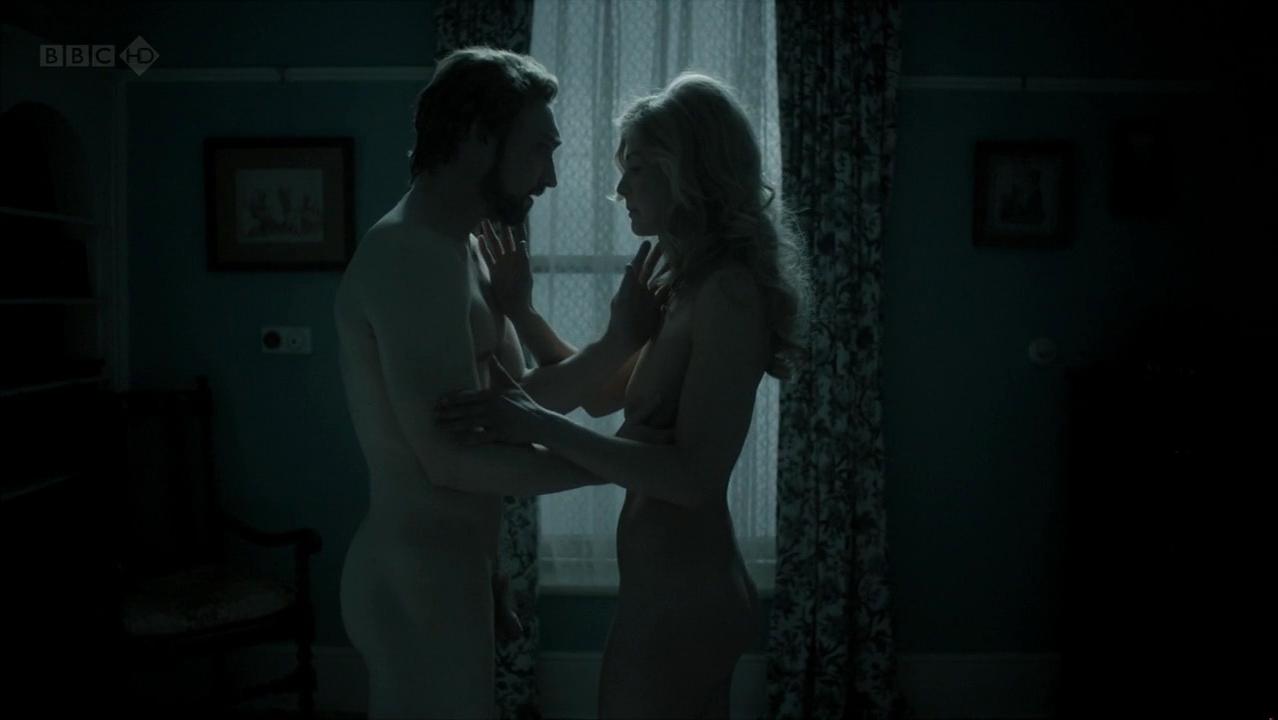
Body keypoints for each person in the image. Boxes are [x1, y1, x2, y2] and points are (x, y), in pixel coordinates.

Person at [435, 72, 811, 718]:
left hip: (685, 603)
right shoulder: (683, 277)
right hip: (667, 597)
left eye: (636, 169)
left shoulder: (729, 293)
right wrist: (522, 310)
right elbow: (607, 395)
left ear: (687, 171)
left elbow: (693, 477)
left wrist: (536, 425)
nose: (620, 189)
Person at [333, 47, 666, 719]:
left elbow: (514, 406)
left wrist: (617, 342)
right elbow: (450, 460)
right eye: (540, 149)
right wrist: (625, 465)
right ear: (477, 137)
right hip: (416, 571)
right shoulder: (408, 255)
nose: (550, 178)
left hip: (455, 566)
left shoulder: (462, 249)